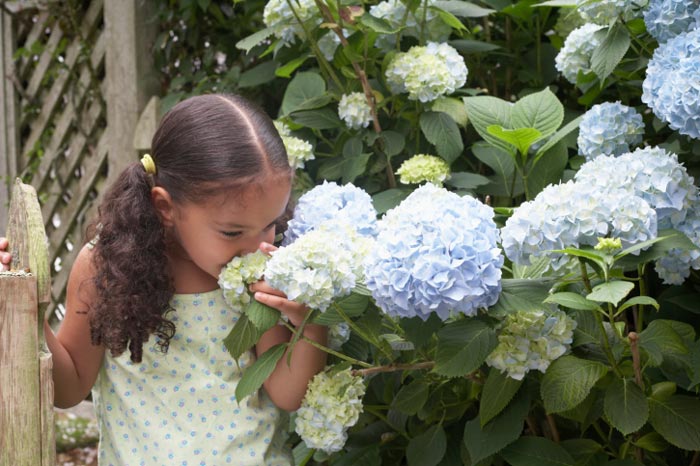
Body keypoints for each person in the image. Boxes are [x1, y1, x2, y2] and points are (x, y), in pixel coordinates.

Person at [0, 94, 328, 465]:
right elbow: (70, 386)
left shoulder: (262, 277)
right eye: (232, 232)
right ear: (166, 207)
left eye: (270, 224)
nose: (257, 247)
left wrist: (309, 325)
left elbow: (287, 394)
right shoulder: (105, 267)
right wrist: (22, 310)